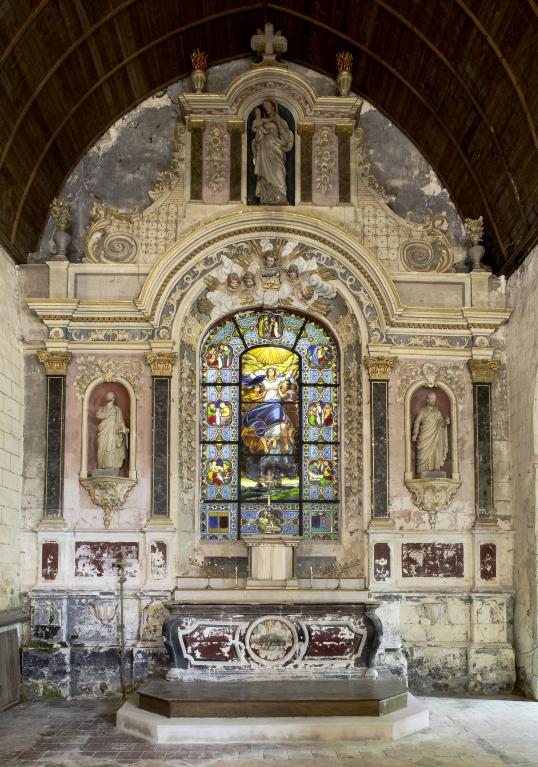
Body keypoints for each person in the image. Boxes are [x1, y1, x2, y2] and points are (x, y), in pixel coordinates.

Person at [252, 100, 294, 204]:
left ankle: (280, 196)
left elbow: (286, 138)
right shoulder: (261, 121)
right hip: (264, 151)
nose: (266, 108)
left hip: (276, 151)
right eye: (264, 106)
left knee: (279, 172)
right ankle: (267, 198)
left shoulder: (280, 120)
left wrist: (277, 125)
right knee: (265, 176)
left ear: (273, 107)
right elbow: (256, 139)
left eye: (268, 105)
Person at [412, 391, 450, 475]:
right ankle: (423, 470)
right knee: (423, 452)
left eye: (434, 399)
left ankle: (435, 468)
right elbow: (417, 422)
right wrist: (415, 434)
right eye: (431, 398)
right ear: (427, 400)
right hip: (424, 436)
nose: (433, 400)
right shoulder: (422, 411)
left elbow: (441, 424)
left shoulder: (437, 412)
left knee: (435, 450)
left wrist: (445, 422)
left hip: (435, 436)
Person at [96, 392, 128, 471]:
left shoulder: (117, 410)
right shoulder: (102, 409)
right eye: (107, 396)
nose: (108, 397)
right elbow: (98, 415)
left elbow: (121, 421)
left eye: (110, 396)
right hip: (104, 431)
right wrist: (107, 414)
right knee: (101, 447)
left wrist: (124, 429)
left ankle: (112, 466)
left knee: (112, 448)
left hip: (114, 432)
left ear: (113, 398)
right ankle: (101, 465)